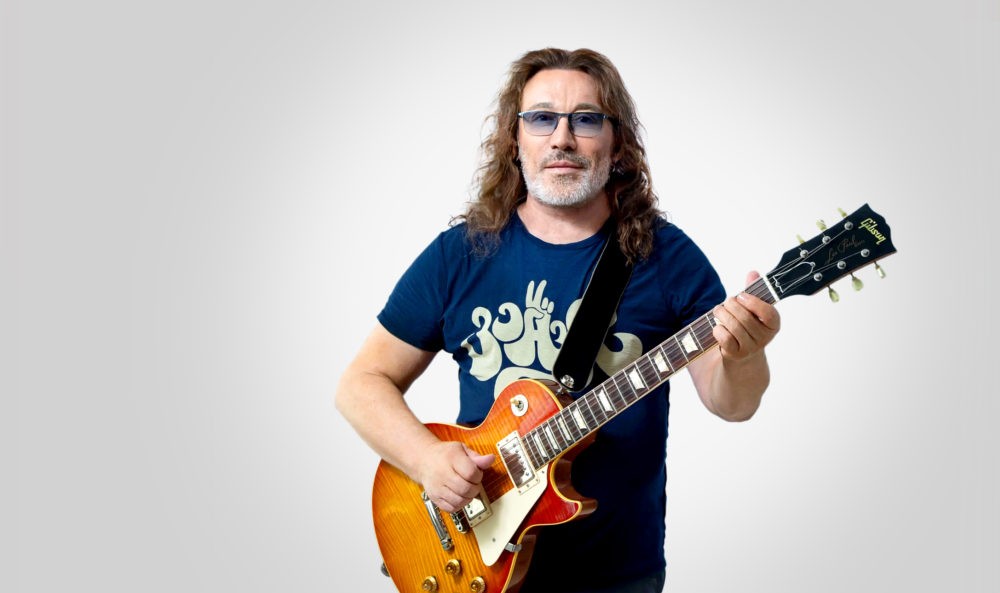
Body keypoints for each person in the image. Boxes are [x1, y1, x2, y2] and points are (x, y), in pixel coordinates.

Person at [336, 47, 780, 593]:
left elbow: (732, 403)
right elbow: (361, 384)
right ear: (515, 139)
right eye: (542, 117)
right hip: (474, 557)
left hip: (618, 575)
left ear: (617, 143)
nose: (562, 138)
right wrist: (426, 459)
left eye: (586, 119)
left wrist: (746, 354)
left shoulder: (667, 257)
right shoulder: (460, 254)